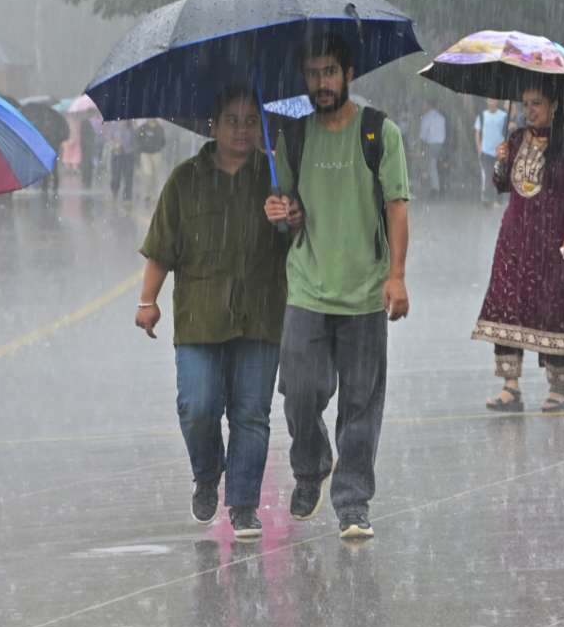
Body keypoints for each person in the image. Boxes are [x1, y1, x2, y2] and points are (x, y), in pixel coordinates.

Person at [265, 33, 411, 539]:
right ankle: (311, 466)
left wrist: (396, 276)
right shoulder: (293, 137)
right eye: (312, 73)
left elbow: (397, 205)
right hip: (307, 288)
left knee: (361, 403)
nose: (321, 83)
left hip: (365, 292)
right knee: (299, 392)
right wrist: (282, 213)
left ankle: (352, 501)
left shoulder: (378, 133)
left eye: (329, 72)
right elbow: (286, 212)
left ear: (349, 73)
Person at [136, 87, 288, 540]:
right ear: (213, 126)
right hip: (200, 317)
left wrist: (290, 217)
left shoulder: (277, 177)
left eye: (249, 121)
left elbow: (299, 243)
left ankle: (243, 504)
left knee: (251, 414)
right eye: (232, 120)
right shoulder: (185, 180)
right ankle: (206, 473)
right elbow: (161, 249)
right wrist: (148, 301)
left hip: (260, 314)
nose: (242, 130)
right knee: (198, 407)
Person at [473, 80, 564, 414]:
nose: (530, 111)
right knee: (507, 305)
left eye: (536, 103)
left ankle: (558, 389)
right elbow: (502, 185)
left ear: (554, 105)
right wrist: (501, 161)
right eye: (526, 104)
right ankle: (510, 388)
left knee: (555, 309)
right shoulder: (515, 140)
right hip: (515, 239)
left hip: (555, 242)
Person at [474, 98, 510, 206]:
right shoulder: (482, 116)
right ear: (486, 101)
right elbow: (477, 132)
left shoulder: (503, 116)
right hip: (486, 151)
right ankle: (487, 199)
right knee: (489, 174)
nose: (491, 102)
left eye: (493, 100)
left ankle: (498, 199)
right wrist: (479, 147)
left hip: (499, 152)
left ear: (497, 102)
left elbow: (508, 131)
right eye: (489, 100)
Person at [418, 99, 447, 196]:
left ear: (428, 105)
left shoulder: (426, 118)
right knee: (439, 165)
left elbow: (423, 135)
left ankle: (435, 188)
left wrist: (421, 145)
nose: (423, 106)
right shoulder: (441, 118)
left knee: (432, 166)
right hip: (441, 145)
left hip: (432, 145)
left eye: (424, 104)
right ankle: (441, 186)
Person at [134, 118, 167, 204]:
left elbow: (163, 141)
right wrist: (141, 148)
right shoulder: (143, 127)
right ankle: (147, 194)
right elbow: (137, 138)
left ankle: (153, 195)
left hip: (156, 153)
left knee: (155, 175)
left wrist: (158, 147)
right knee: (148, 174)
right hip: (145, 153)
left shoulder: (159, 128)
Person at [106, 120, 137, 203]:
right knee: (116, 176)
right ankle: (114, 191)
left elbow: (135, 142)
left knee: (128, 177)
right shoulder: (114, 126)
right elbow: (109, 138)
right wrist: (114, 144)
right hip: (116, 154)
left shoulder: (132, 128)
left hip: (128, 154)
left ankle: (127, 197)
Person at [78, 115, 99, 188]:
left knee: (85, 163)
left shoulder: (84, 123)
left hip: (85, 147)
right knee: (88, 164)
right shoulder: (89, 124)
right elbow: (93, 135)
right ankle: (87, 179)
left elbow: (81, 136)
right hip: (88, 147)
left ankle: (85, 179)